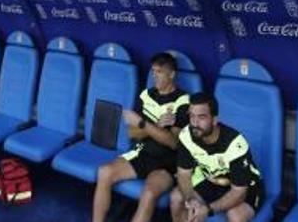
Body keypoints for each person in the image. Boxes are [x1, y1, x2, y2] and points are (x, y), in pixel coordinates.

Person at [92, 53, 191, 222]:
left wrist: (144, 124)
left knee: (149, 193)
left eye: (159, 72)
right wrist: (156, 126)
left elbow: (173, 142)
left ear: (172, 74)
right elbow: (132, 133)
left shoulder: (183, 101)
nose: (155, 76)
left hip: (168, 162)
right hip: (143, 153)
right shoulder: (146, 95)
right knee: (104, 172)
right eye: (153, 71)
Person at [169, 93, 264, 222]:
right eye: (191, 116)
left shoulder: (235, 144)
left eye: (201, 117)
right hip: (212, 179)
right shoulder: (187, 135)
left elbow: (239, 193)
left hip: (245, 186)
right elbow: (183, 174)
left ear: (214, 120)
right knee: (177, 197)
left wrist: (208, 210)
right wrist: (190, 200)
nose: (194, 123)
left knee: (236, 216)